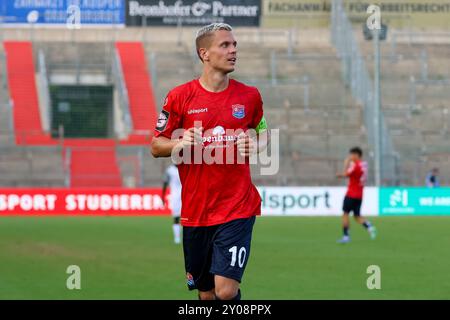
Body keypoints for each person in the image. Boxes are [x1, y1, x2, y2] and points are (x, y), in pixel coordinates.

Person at [151, 23, 269, 300]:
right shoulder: (180, 97)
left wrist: (256, 144)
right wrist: (180, 143)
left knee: (226, 291)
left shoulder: (249, 96)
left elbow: (263, 133)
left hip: (238, 207)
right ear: (204, 53)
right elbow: (156, 146)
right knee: (206, 295)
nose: (233, 50)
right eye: (225, 45)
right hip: (196, 211)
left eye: (234, 45)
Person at [336, 147, 376, 243]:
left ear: (356, 155)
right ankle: (369, 226)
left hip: (351, 194)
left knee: (345, 214)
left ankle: (346, 236)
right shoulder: (364, 165)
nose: (350, 157)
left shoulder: (356, 166)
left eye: (351, 155)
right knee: (357, 216)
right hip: (359, 195)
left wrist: (345, 164)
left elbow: (345, 174)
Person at [162, 164, 182, 244]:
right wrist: (162, 196)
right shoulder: (169, 170)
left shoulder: (186, 166)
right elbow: (165, 183)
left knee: (188, 218)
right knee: (176, 217)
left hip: (187, 195)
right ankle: (177, 237)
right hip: (175, 197)